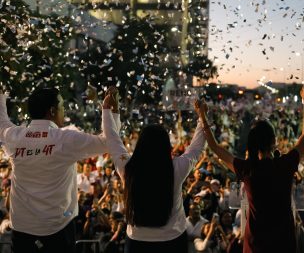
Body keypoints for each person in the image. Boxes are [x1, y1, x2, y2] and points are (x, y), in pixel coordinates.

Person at [194, 86, 304, 253]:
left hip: (255, 244)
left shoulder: (248, 169)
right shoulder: (285, 164)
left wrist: (202, 115)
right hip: (283, 243)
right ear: (273, 141)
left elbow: (215, 147)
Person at [0, 87, 117, 253]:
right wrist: (110, 110)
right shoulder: (65, 139)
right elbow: (108, 142)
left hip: (22, 231)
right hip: (57, 232)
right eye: (62, 106)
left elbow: (1, 122)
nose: (65, 111)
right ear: (52, 110)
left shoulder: (15, 137)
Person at [101, 89, 207, 253]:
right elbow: (196, 149)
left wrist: (108, 110)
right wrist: (202, 118)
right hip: (172, 241)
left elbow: (112, 140)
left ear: (140, 146)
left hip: (137, 242)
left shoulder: (128, 168)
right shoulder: (175, 169)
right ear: (166, 147)